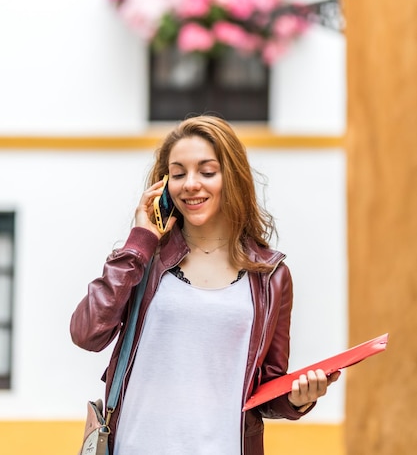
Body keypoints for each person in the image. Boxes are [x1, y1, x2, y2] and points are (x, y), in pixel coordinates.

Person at [70, 115, 339, 455]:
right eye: (178, 173)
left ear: (233, 178)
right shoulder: (143, 259)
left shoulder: (271, 276)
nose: (190, 184)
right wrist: (139, 241)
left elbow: (264, 389)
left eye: (207, 172)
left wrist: (297, 399)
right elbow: (86, 333)